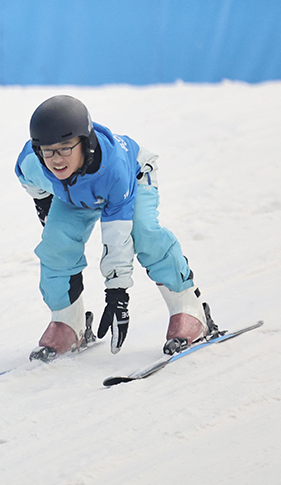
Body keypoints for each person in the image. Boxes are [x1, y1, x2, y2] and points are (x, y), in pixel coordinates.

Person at [15, 95, 219, 361]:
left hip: (131, 181)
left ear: (84, 143)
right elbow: (27, 177)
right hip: (74, 194)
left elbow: (117, 237)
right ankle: (68, 323)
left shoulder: (114, 171)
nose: (56, 159)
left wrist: (117, 292)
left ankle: (189, 310)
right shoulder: (35, 162)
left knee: (144, 233)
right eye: (48, 150)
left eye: (65, 148)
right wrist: (43, 202)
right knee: (56, 245)